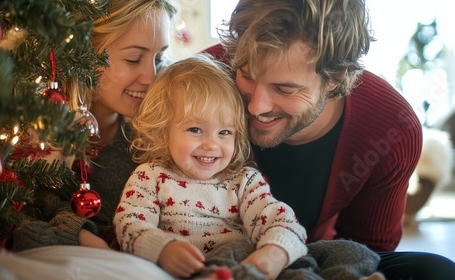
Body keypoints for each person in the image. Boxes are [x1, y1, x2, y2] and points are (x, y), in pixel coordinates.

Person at [202, 0, 455, 279]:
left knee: (436, 271)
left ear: (334, 77)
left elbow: (367, 249)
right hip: (210, 255)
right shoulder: (200, 77)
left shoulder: (391, 127)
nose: (256, 107)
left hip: (314, 256)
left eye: (284, 89)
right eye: (246, 75)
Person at [113, 54, 386, 280]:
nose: (211, 145)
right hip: (211, 268)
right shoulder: (151, 176)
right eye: (196, 129)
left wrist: (273, 252)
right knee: (248, 256)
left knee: (349, 251)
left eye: (224, 133)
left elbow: (280, 221)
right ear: (163, 132)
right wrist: (162, 248)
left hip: (260, 263)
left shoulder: (244, 180)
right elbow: (129, 223)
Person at [11, 0, 179, 251]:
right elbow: (9, 216)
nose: (151, 78)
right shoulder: (25, 134)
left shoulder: (158, 140)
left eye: (159, 57)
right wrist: (75, 234)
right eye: (134, 59)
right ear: (83, 54)